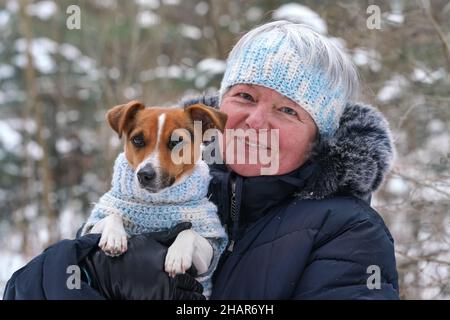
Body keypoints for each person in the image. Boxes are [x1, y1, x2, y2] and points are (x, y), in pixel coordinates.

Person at [4, 20, 399, 300]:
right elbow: (22, 290)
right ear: (220, 106)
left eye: (288, 111)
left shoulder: (349, 233)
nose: (255, 120)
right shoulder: (153, 190)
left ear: (319, 137)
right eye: (244, 96)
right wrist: (93, 268)